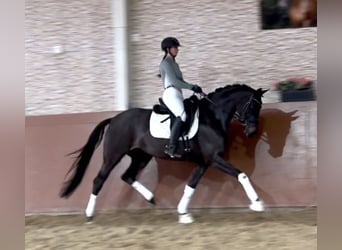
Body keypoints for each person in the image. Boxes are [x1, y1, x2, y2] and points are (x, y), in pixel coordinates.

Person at [159, 37, 203, 158]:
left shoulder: (175, 64)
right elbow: (174, 81)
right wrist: (192, 87)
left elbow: (181, 81)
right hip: (170, 93)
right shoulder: (166, 63)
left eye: (177, 48)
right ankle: (171, 148)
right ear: (168, 49)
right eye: (175, 47)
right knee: (182, 115)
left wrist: (195, 88)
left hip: (177, 93)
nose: (177, 49)